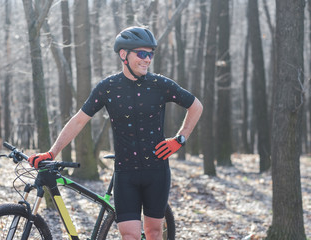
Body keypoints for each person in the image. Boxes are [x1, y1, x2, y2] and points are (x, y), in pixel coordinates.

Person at [28, 26, 203, 240]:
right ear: (124, 55)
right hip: (125, 173)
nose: (147, 59)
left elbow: (196, 106)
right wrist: (52, 152)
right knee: (129, 234)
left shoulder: (160, 84)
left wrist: (180, 139)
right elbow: (79, 120)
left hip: (157, 171)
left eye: (150, 54)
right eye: (142, 54)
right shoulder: (108, 88)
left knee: (154, 232)